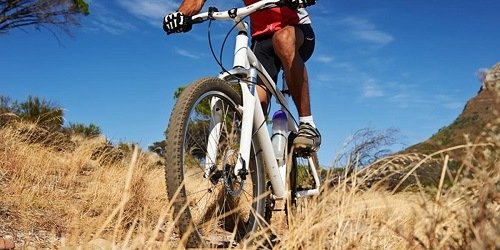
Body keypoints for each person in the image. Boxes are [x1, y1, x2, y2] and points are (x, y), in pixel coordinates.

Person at [163, 0, 321, 152]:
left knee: (283, 39)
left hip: (295, 28)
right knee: (255, 110)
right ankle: (255, 175)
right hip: (262, 38)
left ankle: (307, 124)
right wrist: (180, 15)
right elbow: (195, 1)